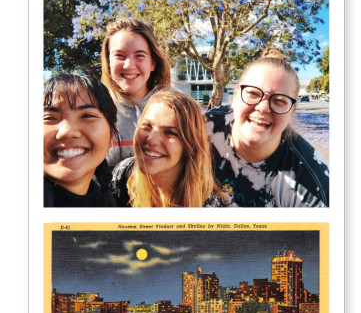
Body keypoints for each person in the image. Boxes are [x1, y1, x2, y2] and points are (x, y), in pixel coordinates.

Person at [206, 48, 329, 207]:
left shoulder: (311, 185)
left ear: (292, 112)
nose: (263, 108)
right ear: (235, 97)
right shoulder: (203, 127)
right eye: (253, 94)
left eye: (279, 100)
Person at [111, 91, 225, 207]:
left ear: (190, 145)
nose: (152, 140)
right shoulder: (122, 175)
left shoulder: (210, 204)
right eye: (147, 126)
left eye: (170, 132)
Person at [101, 17, 171, 168]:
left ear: (152, 63)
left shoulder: (176, 107)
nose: (129, 65)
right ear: (108, 62)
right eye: (119, 55)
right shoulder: (95, 110)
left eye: (139, 55)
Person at [43, 70, 118, 207]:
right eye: (49, 118)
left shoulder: (107, 202)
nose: (67, 132)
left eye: (87, 116)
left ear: (112, 134)